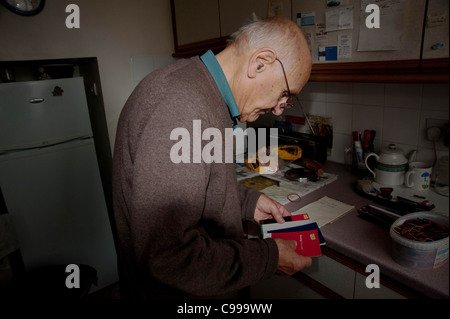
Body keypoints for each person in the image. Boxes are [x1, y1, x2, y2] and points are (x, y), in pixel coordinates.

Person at [112, 16, 312, 299]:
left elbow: (193, 187)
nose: (279, 110)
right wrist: (267, 258)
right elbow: (168, 257)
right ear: (260, 63)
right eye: (284, 94)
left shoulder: (199, 91)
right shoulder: (183, 105)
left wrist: (247, 203)